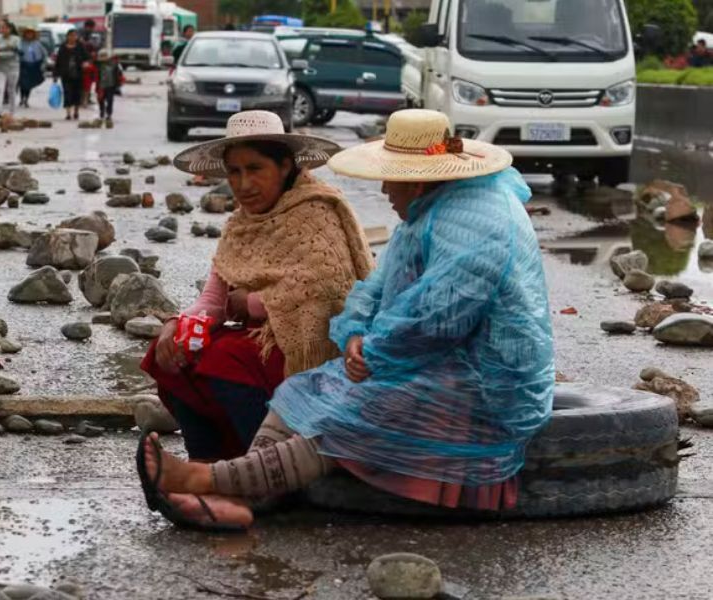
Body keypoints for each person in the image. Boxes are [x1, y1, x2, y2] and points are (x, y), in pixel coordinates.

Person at [137, 109, 556, 530]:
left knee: (345, 417)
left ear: (417, 178)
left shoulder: (475, 222)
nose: (386, 189)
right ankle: (245, 498)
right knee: (300, 396)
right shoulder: (429, 214)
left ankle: (204, 478)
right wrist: (356, 331)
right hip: (433, 358)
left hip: (482, 378)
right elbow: (374, 290)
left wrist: (372, 348)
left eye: (391, 178)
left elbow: (435, 318)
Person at [141, 110, 374, 463]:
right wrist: (175, 325)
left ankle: (267, 465)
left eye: (255, 169)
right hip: (262, 341)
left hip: (312, 345)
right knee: (174, 355)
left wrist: (251, 303)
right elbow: (214, 301)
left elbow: (329, 288)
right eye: (234, 171)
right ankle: (207, 461)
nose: (243, 183)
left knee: (225, 358)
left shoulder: (317, 212)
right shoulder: (240, 225)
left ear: (284, 167)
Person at [53, 29, 88, 120]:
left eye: (74, 35)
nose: (72, 37)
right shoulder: (63, 47)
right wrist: (55, 74)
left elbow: (87, 58)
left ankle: (76, 111)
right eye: (71, 35)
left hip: (78, 74)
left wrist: (85, 63)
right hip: (66, 74)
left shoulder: (80, 46)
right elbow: (58, 61)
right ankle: (68, 113)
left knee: (77, 94)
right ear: (67, 36)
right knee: (67, 93)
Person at [0, 20, 21, 116]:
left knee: (11, 89)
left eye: (6, 28)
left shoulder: (16, 39)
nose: (3, 30)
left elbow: (13, 54)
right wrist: (7, 48)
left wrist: (0, 53)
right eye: (2, 28)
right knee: (0, 89)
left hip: (13, 68)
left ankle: (12, 111)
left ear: (10, 29)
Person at [18, 27, 46, 108]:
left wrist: (43, 64)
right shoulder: (21, 43)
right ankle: (22, 98)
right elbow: (17, 52)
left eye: (31, 33)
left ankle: (26, 99)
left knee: (29, 84)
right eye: (27, 33)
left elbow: (44, 53)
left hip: (34, 65)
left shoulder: (37, 43)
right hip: (23, 65)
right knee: (22, 83)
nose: (29, 35)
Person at [96, 50, 123, 125]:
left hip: (111, 86)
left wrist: (118, 84)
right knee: (100, 100)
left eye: (105, 56)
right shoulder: (98, 65)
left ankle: (109, 114)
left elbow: (119, 74)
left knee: (110, 100)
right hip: (100, 86)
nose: (103, 58)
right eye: (101, 56)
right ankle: (102, 111)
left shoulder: (114, 64)